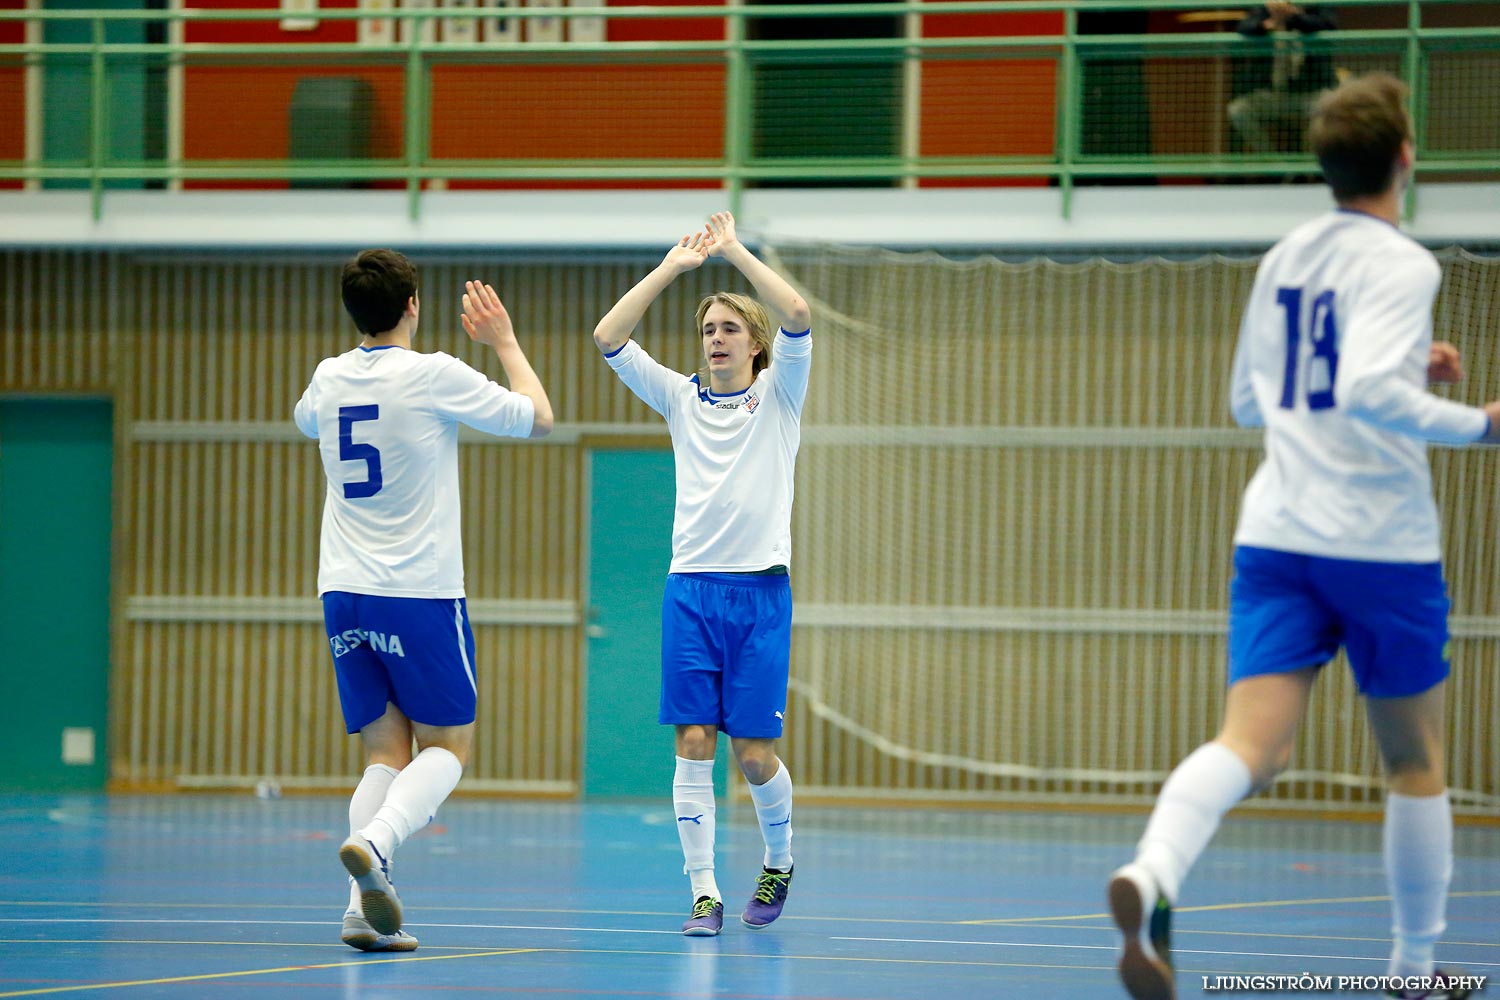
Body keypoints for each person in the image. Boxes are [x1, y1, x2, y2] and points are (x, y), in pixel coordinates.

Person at [1107, 72, 1500, 1000]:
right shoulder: (1405, 263)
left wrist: (1407, 364)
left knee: (1250, 745)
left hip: (1277, 533)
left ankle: (1154, 870)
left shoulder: (1286, 254)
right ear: (1405, 156)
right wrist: (1479, 422)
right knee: (1414, 759)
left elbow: (1253, 398)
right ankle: (1413, 970)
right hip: (1378, 541)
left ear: (1325, 164)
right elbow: (1364, 390)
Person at [294, 250, 554, 952]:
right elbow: (539, 417)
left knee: (384, 753)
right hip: (417, 592)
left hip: (342, 591)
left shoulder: (327, 377)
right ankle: (377, 846)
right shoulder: (434, 374)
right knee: (448, 746)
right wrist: (502, 342)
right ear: (413, 306)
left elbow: (305, 421)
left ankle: (358, 908)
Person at [592, 211, 812, 937]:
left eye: (727, 330)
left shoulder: (780, 394)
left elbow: (800, 312)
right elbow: (608, 338)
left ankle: (778, 857)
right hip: (690, 590)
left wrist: (735, 252)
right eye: (707, 331)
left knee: (752, 755)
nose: (715, 340)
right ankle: (705, 894)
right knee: (692, 742)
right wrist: (672, 268)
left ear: (754, 344)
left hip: (759, 595)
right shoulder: (680, 398)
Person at [1229, 3, 1338, 156]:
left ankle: (1309, 166)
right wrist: (1266, 25)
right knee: (1238, 110)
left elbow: (1328, 25)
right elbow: (1244, 27)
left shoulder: (1316, 5)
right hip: (1274, 95)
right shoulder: (1267, 7)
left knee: (1332, 109)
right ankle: (1273, 162)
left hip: (1312, 94)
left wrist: (1294, 16)